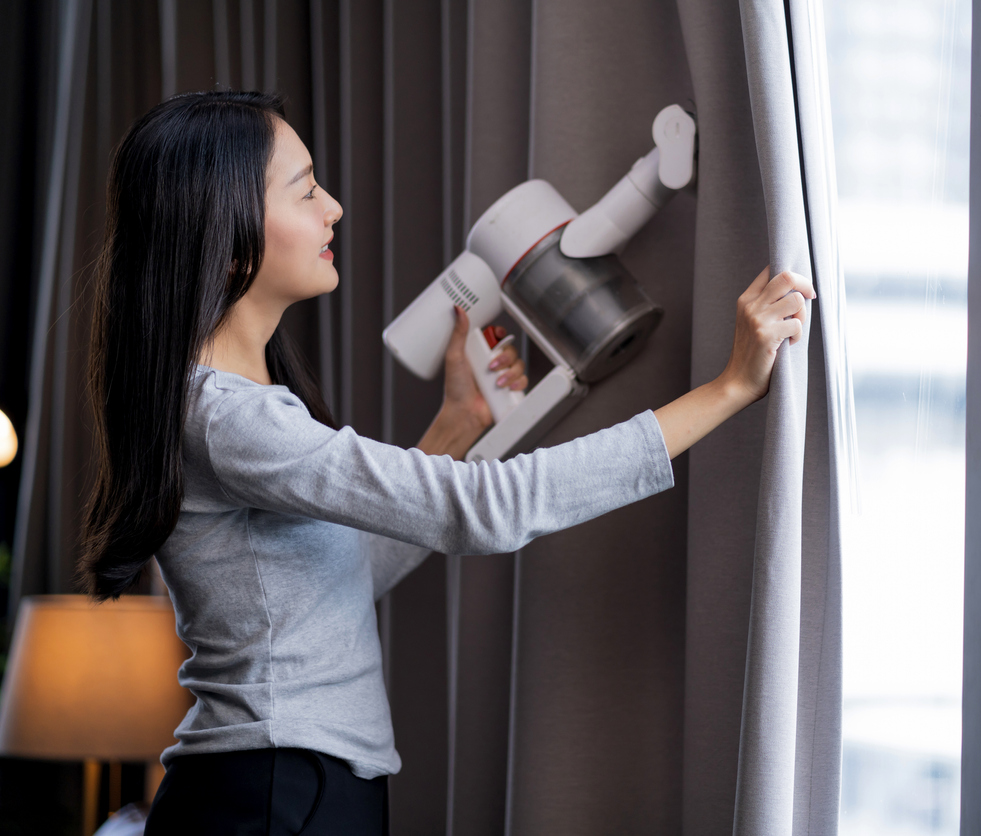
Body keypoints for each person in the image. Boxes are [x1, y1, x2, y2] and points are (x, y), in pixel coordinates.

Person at [78, 91, 813, 835]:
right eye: (304, 190)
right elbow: (490, 511)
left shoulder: (233, 406)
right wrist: (728, 389)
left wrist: (455, 429)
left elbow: (338, 581)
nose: (332, 207)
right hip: (275, 790)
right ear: (227, 238)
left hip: (293, 784)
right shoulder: (229, 416)